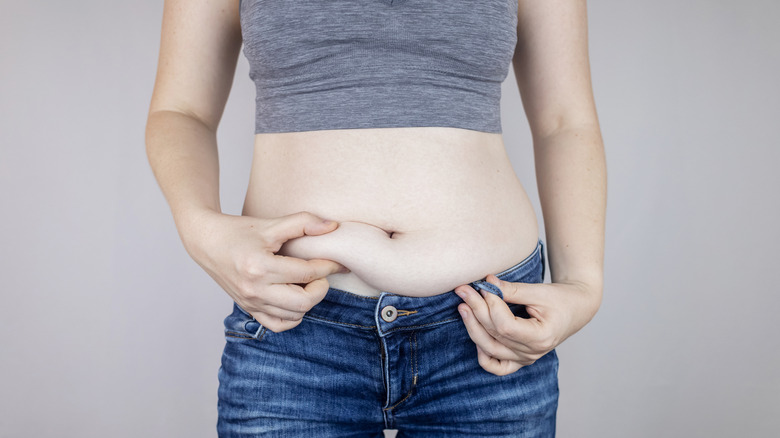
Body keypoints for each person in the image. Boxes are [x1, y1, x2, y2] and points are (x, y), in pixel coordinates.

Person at [145, 0, 606, 436]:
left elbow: (565, 121)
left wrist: (582, 286)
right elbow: (180, 110)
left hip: (488, 327)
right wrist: (200, 227)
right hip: (295, 324)